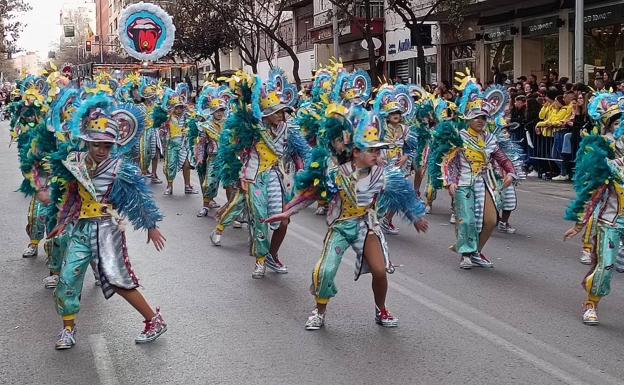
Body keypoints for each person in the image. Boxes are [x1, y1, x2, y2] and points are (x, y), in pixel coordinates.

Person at [265, 107, 428, 330]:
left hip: (366, 225)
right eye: (371, 150)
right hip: (340, 227)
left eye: (378, 150)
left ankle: (381, 309)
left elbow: (403, 195)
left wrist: (415, 216)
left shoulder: (383, 174)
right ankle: (319, 311)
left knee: (380, 271)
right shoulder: (335, 173)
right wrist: (288, 211)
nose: (377, 155)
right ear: (356, 152)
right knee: (325, 270)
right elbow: (311, 194)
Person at [49, 94, 167, 350]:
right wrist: (62, 221)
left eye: (107, 146)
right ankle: (68, 329)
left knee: (117, 278)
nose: (102, 150)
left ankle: (154, 320)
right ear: (87, 143)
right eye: (97, 145)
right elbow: (72, 197)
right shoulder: (75, 163)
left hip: (107, 229)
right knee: (67, 278)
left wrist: (151, 226)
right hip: (80, 229)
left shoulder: (119, 168)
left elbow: (139, 198)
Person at [433, 75, 518, 269]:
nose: (480, 120)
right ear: (468, 119)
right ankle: (465, 254)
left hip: (485, 182)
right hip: (464, 183)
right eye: (476, 117)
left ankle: (476, 251)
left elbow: (503, 159)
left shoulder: (490, 139)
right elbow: (448, 162)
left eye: (483, 117)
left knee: (490, 220)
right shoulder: (460, 137)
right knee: (467, 220)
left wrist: (510, 173)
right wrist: (450, 181)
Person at [563, 91, 624, 326]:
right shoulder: (605, 161)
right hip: (611, 221)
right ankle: (591, 303)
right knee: (605, 266)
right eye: (617, 124)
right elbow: (592, 195)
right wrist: (579, 223)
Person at [161, 89, 197, 195]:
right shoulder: (168, 118)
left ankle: (187, 186)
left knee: (186, 164)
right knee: (170, 166)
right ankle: (169, 186)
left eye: (181, 107)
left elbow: (194, 118)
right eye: (177, 107)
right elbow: (162, 129)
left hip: (182, 145)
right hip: (171, 145)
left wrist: (188, 130)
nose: (179, 110)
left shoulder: (186, 116)